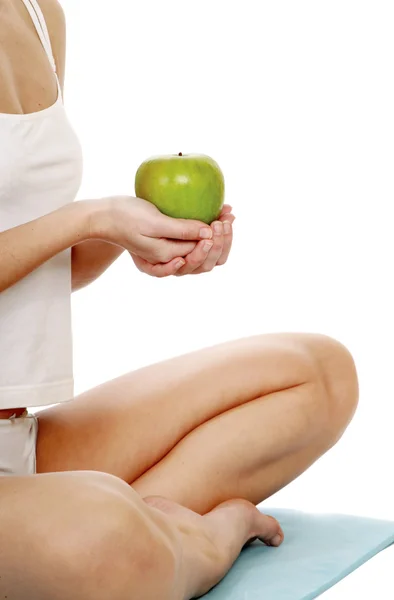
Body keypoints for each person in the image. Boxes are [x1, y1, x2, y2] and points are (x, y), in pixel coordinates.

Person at [0, 1, 359, 598]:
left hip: (17, 438)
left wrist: (129, 236)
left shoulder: (39, 13)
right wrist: (89, 217)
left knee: (319, 375)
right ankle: (193, 543)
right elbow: (57, 229)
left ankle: (99, 543)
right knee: (104, 532)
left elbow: (37, 266)